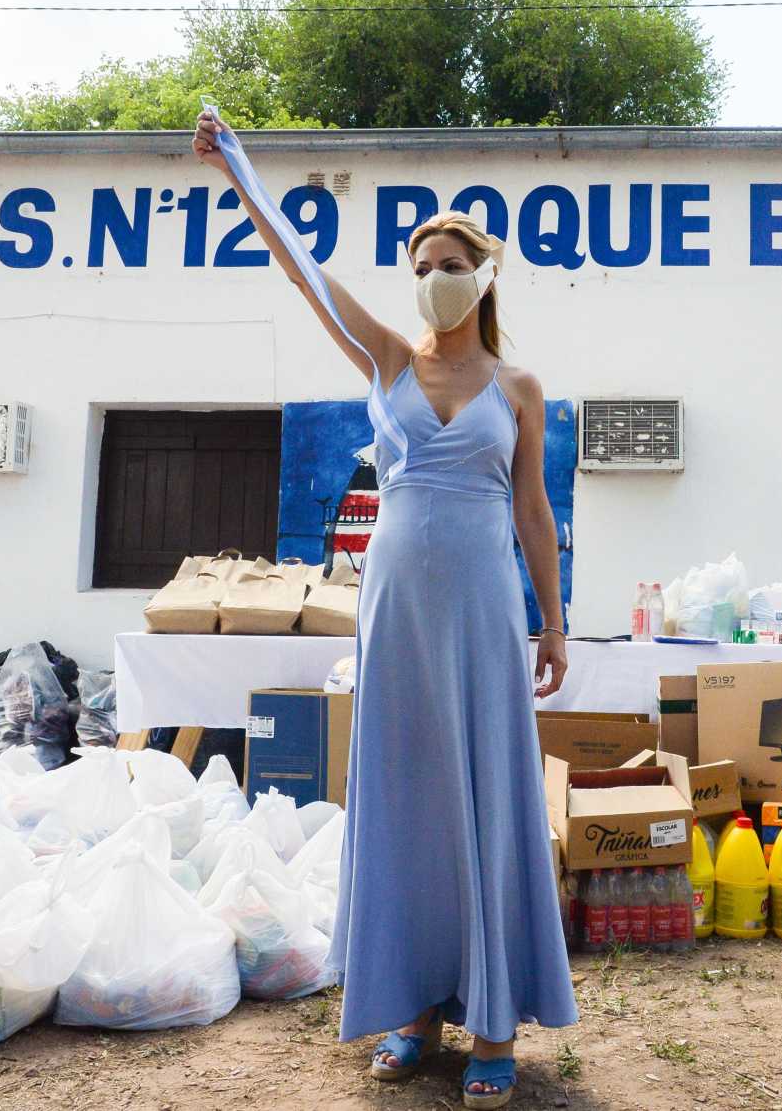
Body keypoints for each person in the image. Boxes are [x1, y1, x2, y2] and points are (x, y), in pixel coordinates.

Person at [193, 110, 577, 1109]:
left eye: (449, 259)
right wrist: (239, 167)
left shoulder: (521, 386)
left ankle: (493, 1023)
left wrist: (554, 618)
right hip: (397, 610)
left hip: (487, 611)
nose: (432, 274)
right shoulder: (390, 362)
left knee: (488, 797)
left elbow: (532, 508)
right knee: (406, 799)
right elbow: (303, 271)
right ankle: (411, 1011)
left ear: (483, 275)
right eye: (420, 261)